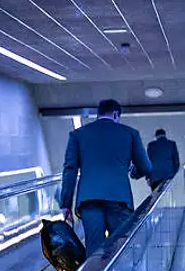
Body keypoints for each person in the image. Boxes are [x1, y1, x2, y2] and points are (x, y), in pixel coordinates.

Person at [60, 98, 152, 253]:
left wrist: (65, 204)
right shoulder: (130, 134)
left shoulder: (78, 135)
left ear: (99, 114)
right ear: (116, 114)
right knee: (120, 247)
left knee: (94, 248)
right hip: (119, 199)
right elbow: (146, 166)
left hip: (89, 199)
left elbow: (70, 169)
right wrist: (133, 173)